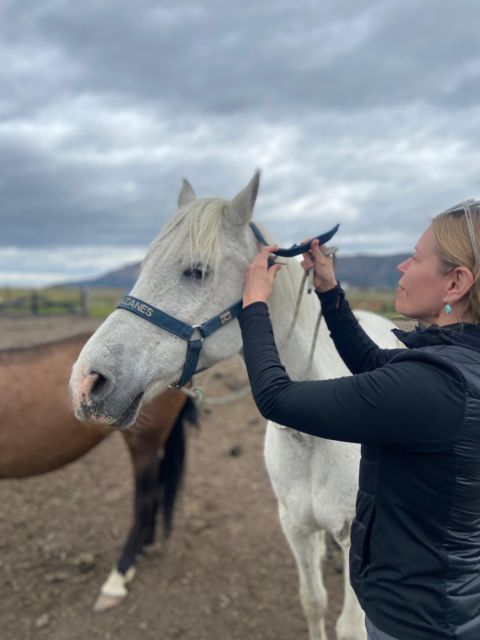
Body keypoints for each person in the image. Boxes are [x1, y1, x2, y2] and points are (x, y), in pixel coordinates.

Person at [238, 200, 480, 640]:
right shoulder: (461, 364)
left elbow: (277, 398)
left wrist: (253, 305)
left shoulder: (437, 384)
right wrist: (330, 291)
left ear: (456, 283)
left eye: (417, 258)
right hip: (449, 601)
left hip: (416, 622)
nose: (403, 266)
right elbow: (371, 361)